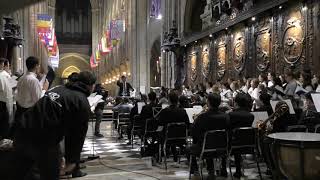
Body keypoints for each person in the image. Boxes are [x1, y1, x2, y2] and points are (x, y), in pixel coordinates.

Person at [11, 71, 96, 180]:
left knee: (24, 173)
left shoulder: (58, 89)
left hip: (22, 131)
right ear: (91, 86)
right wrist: (72, 160)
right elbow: (77, 134)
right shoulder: (81, 101)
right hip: (43, 140)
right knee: (50, 174)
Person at [191, 93, 229, 177]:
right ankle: (223, 168)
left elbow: (194, 133)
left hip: (205, 149)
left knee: (190, 148)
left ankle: (201, 171)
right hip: (222, 148)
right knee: (213, 140)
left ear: (208, 102)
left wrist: (195, 120)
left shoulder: (202, 117)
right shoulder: (226, 116)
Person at [158, 91, 189, 163]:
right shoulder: (183, 111)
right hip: (181, 137)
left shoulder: (165, 111)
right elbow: (187, 124)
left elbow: (160, 124)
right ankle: (174, 153)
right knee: (172, 131)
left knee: (162, 132)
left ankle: (161, 154)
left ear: (168, 100)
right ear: (177, 100)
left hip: (168, 138)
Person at [228, 93, 254, 178]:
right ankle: (238, 170)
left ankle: (223, 169)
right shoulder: (251, 116)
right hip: (247, 144)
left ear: (236, 103)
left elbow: (228, 128)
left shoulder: (231, 115)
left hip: (232, 145)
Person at [0, 58, 13, 138]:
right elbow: (5, 89)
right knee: (4, 123)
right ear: (2, 65)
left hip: (3, 101)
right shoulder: (3, 75)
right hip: (2, 102)